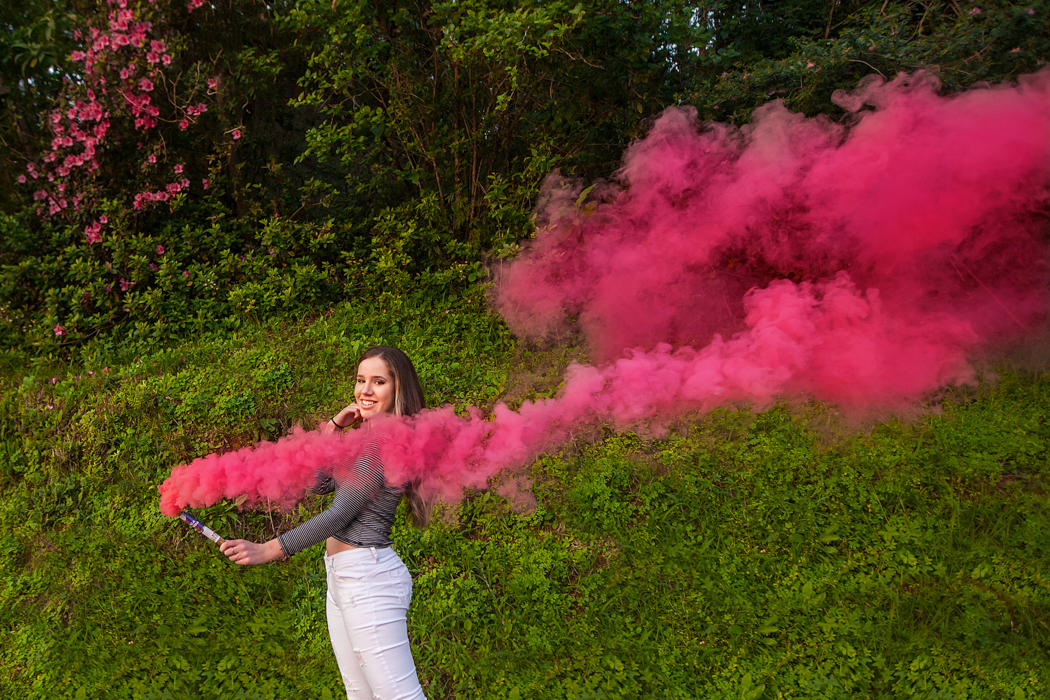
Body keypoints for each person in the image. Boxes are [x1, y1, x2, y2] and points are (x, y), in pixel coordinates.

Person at [219, 345, 428, 700]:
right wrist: (332, 428)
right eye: (360, 380)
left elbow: (340, 513)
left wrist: (270, 550)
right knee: (360, 695)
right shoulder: (367, 438)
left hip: (368, 579)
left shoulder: (383, 442)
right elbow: (320, 484)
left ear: (398, 388)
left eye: (378, 382)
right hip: (346, 576)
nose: (365, 390)